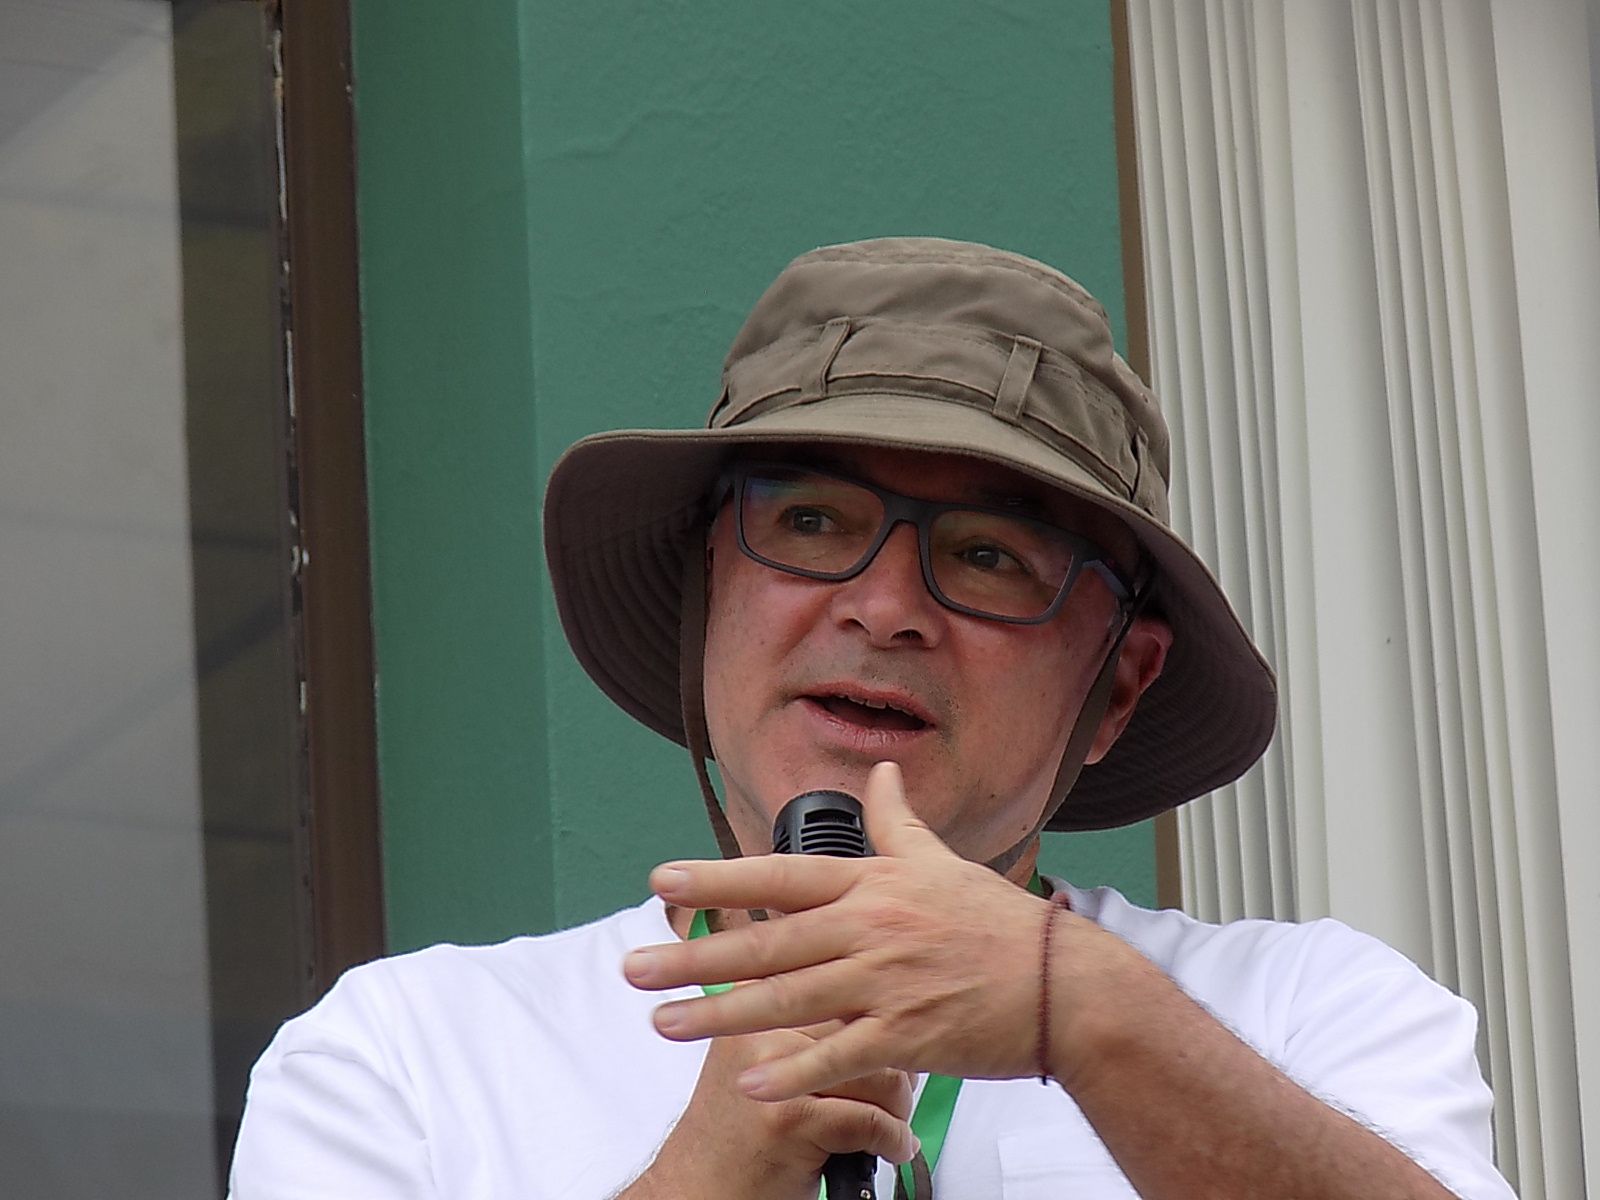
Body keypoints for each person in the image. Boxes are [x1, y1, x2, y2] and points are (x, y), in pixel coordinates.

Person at [228, 239, 1515, 1199]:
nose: (884, 606)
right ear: (705, 596)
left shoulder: (1306, 1015)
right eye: (809, 522)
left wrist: (1078, 1009)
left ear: (1118, 686)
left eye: (989, 555)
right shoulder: (406, 1056)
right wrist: (709, 1176)